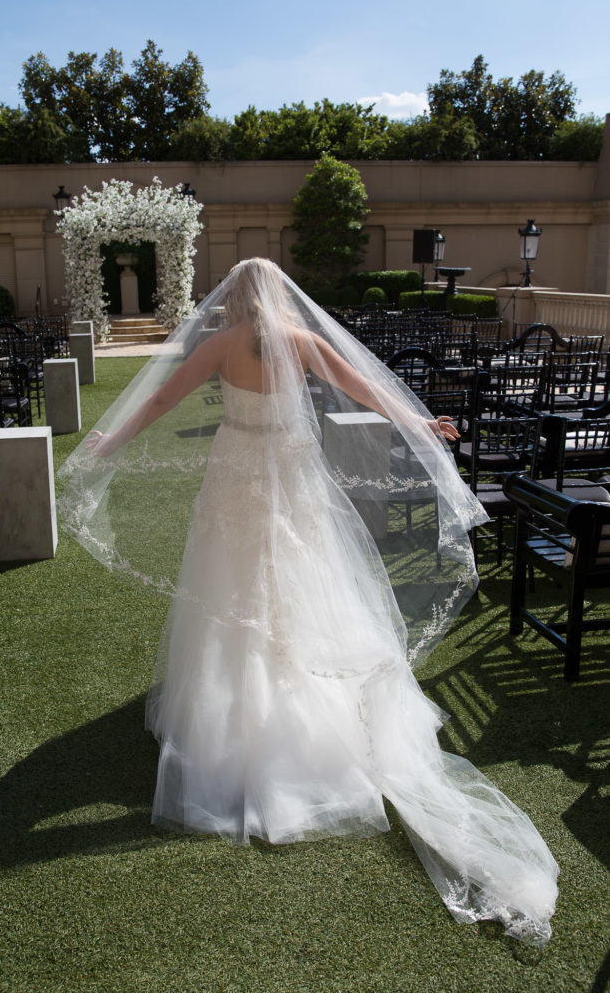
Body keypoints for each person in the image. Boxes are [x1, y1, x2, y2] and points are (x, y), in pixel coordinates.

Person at [60, 258, 558, 946]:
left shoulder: (217, 343)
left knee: (233, 587)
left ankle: (240, 714)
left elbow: (157, 401)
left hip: (237, 470)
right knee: (303, 579)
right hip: (291, 469)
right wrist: (421, 420)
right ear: (281, 292)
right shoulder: (303, 339)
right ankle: (310, 708)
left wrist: (109, 440)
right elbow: (365, 385)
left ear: (232, 298)